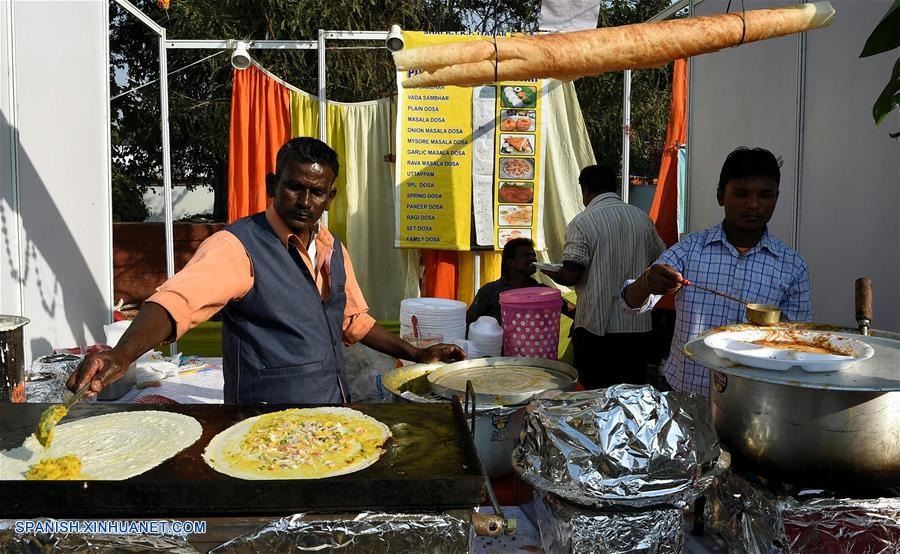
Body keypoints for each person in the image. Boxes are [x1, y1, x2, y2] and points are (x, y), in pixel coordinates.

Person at [68, 137, 465, 404]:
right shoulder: (238, 246)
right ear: (272, 183)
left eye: (318, 192)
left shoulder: (332, 249)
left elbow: (353, 321)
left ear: (331, 197)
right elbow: (176, 302)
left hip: (329, 409)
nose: (305, 201)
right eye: (295, 187)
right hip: (260, 419)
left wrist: (415, 352)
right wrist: (122, 354)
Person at [621, 147, 812, 395]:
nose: (753, 205)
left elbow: (797, 343)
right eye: (741, 194)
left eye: (764, 195)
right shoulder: (689, 250)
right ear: (721, 196)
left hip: (753, 401)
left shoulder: (793, 266)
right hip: (685, 394)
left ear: (776, 198)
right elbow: (629, 304)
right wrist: (648, 281)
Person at [544, 165, 666, 389]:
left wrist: (550, 271)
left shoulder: (583, 222)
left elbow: (572, 273)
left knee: (594, 396)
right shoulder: (641, 218)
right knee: (631, 397)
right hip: (637, 328)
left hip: (596, 328)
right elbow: (661, 260)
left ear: (586, 190)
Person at [466, 238, 575, 326]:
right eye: (526, 256)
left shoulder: (543, 292)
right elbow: (469, 320)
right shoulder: (491, 290)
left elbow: (574, 311)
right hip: (497, 351)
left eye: (533, 255)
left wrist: (577, 325)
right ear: (510, 262)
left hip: (533, 350)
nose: (533, 259)